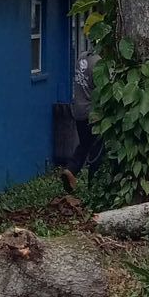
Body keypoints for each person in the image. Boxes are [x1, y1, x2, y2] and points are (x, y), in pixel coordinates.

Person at [63, 39, 100, 187]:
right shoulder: (99, 63)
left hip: (78, 110)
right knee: (97, 151)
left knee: (84, 144)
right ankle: (94, 184)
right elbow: (102, 89)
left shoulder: (82, 57)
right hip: (92, 114)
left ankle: (71, 169)